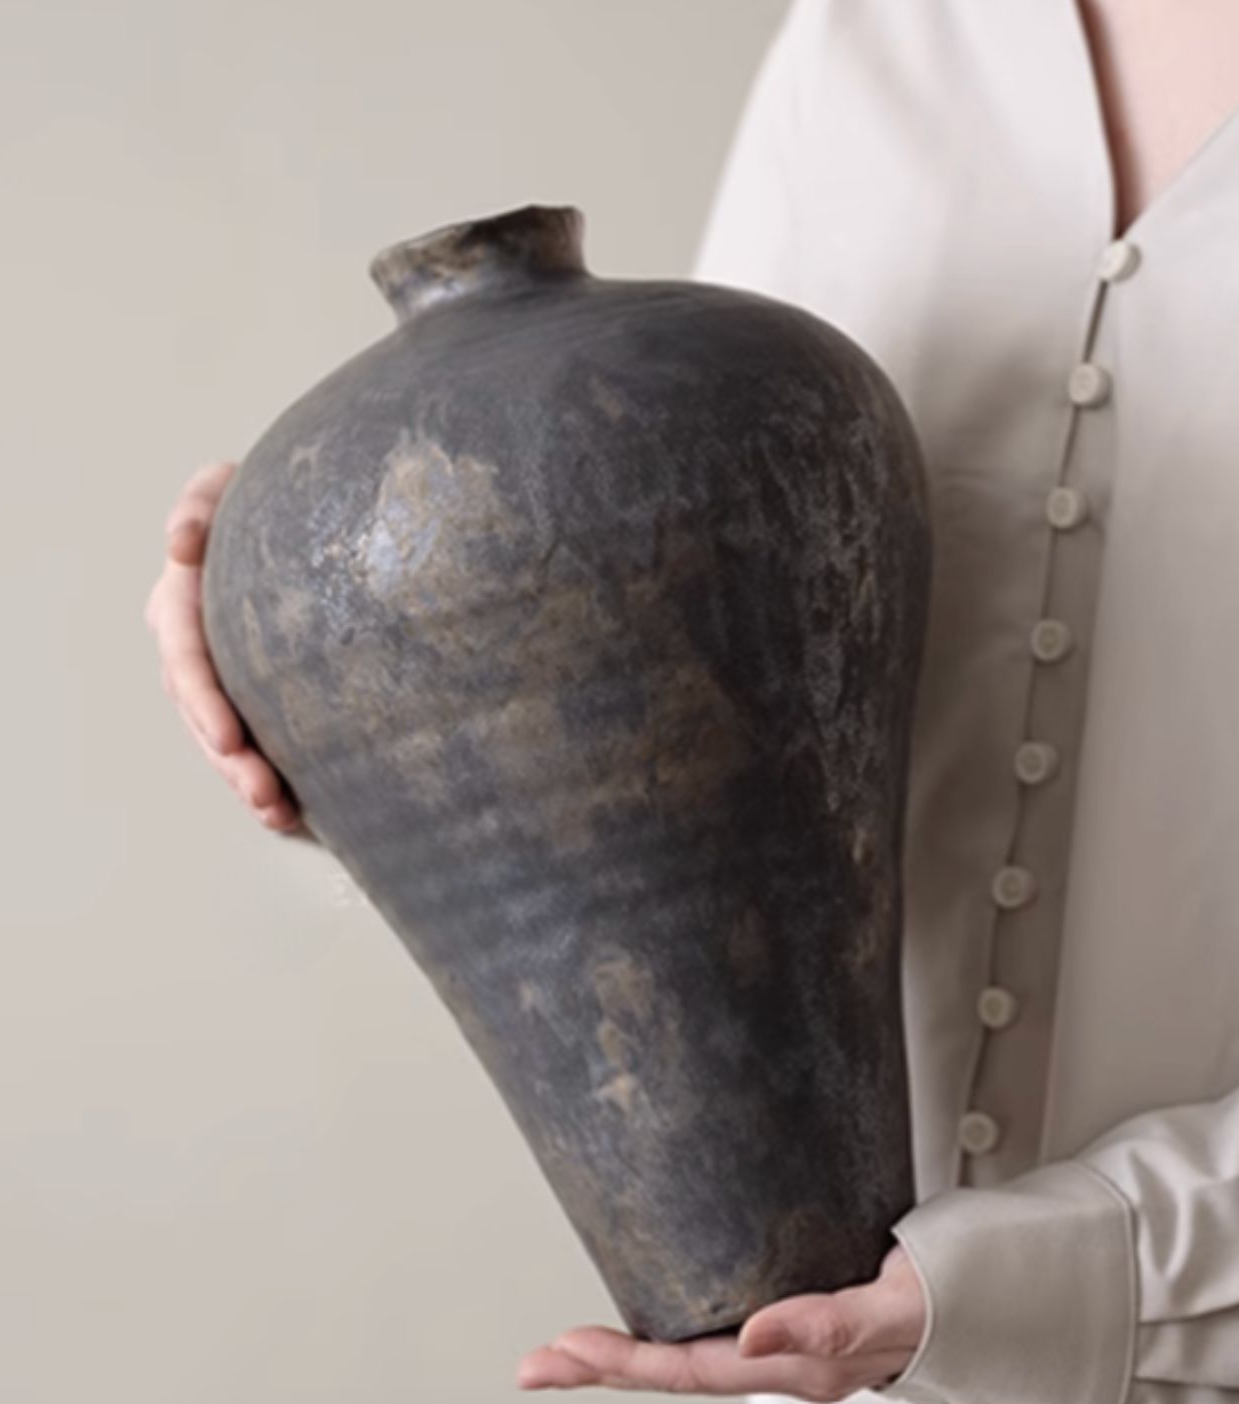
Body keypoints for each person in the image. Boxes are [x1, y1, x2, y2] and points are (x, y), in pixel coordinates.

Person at [145, 2, 1239, 1398]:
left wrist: (1103, 1265)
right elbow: (655, 654)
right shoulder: (863, 50)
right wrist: (308, 616)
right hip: (813, 1369)